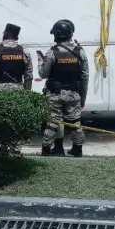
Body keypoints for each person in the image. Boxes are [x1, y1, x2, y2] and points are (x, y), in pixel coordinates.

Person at [38, 20, 90, 157]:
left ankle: (46, 149)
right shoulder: (80, 52)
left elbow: (43, 74)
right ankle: (77, 149)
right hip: (74, 94)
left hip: (55, 95)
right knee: (75, 123)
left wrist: (39, 62)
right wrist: (83, 97)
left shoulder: (52, 52)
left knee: (53, 122)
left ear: (56, 34)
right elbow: (85, 77)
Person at [0, 23, 33, 91]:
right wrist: (27, 92)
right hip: (18, 93)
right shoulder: (25, 52)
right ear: (17, 38)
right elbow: (29, 76)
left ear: (4, 35)